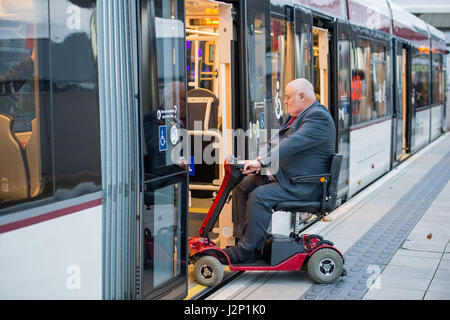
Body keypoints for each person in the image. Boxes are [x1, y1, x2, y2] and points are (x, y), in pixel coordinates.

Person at [225, 78, 336, 263]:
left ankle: (246, 250)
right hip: (290, 179)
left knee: (259, 196)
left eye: (287, 97)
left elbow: (292, 143)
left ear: (301, 97)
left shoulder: (318, 117)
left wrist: (261, 162)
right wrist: (259, 161)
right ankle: (245, 240)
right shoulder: (299, 116)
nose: (284, 101)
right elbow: (275, 143)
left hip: (304, 185)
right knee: (243, 186)